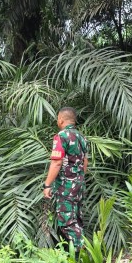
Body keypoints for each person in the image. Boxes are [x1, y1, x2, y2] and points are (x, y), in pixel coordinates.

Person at [42, 107, 89, 251]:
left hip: (66, 186)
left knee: (67, 222)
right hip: (78, 185)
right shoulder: (82, 137)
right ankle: (83, 258)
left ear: (61, 119)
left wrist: (47, 185)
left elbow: (56, 162)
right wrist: (78, 179)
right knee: (76, 219)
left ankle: (81, 259)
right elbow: (85, 163)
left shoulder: (61, 136)